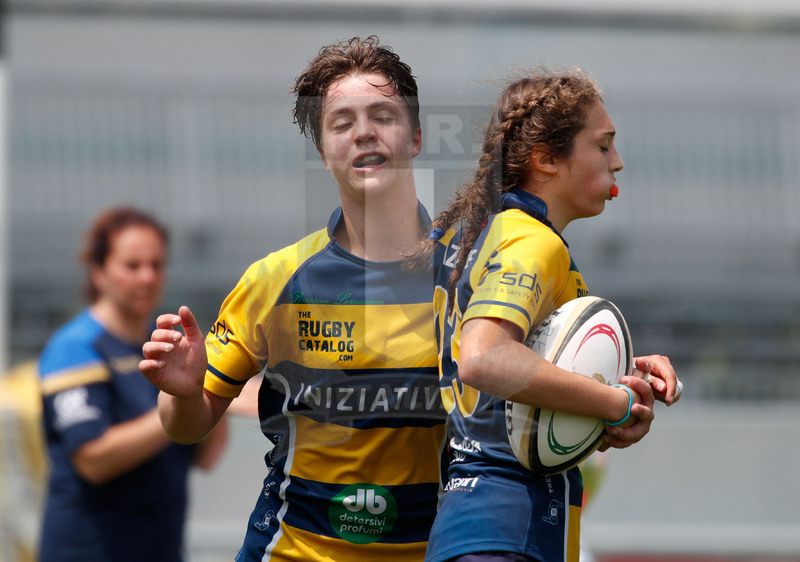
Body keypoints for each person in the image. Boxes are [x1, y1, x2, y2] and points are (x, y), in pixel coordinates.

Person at [140, 36, 446, 561]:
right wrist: (186, 394)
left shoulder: (473, 274)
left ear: (416, 137)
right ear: (323, 152)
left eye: (383, 116)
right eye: (342, 123)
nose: (364, 132)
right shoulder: (276, 279)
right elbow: (185, 427)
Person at [405, 67, 680, 562]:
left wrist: (626, 382)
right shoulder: (532, 242)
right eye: (603, 146)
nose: (617, 162)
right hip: (509, 527)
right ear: (547, 158)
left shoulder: (478, 239)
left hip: (475, 522)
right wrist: (612, 403)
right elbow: (484, 359)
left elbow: (516, 402)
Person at [37, 207, 228, 562]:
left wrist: (218, 394)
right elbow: (93, 460)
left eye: (157, 265)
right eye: (132, 265)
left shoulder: (165, 345)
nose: (148, 276)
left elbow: (205, 458)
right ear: (98, 272)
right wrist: (181, 401)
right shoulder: (75, 347)